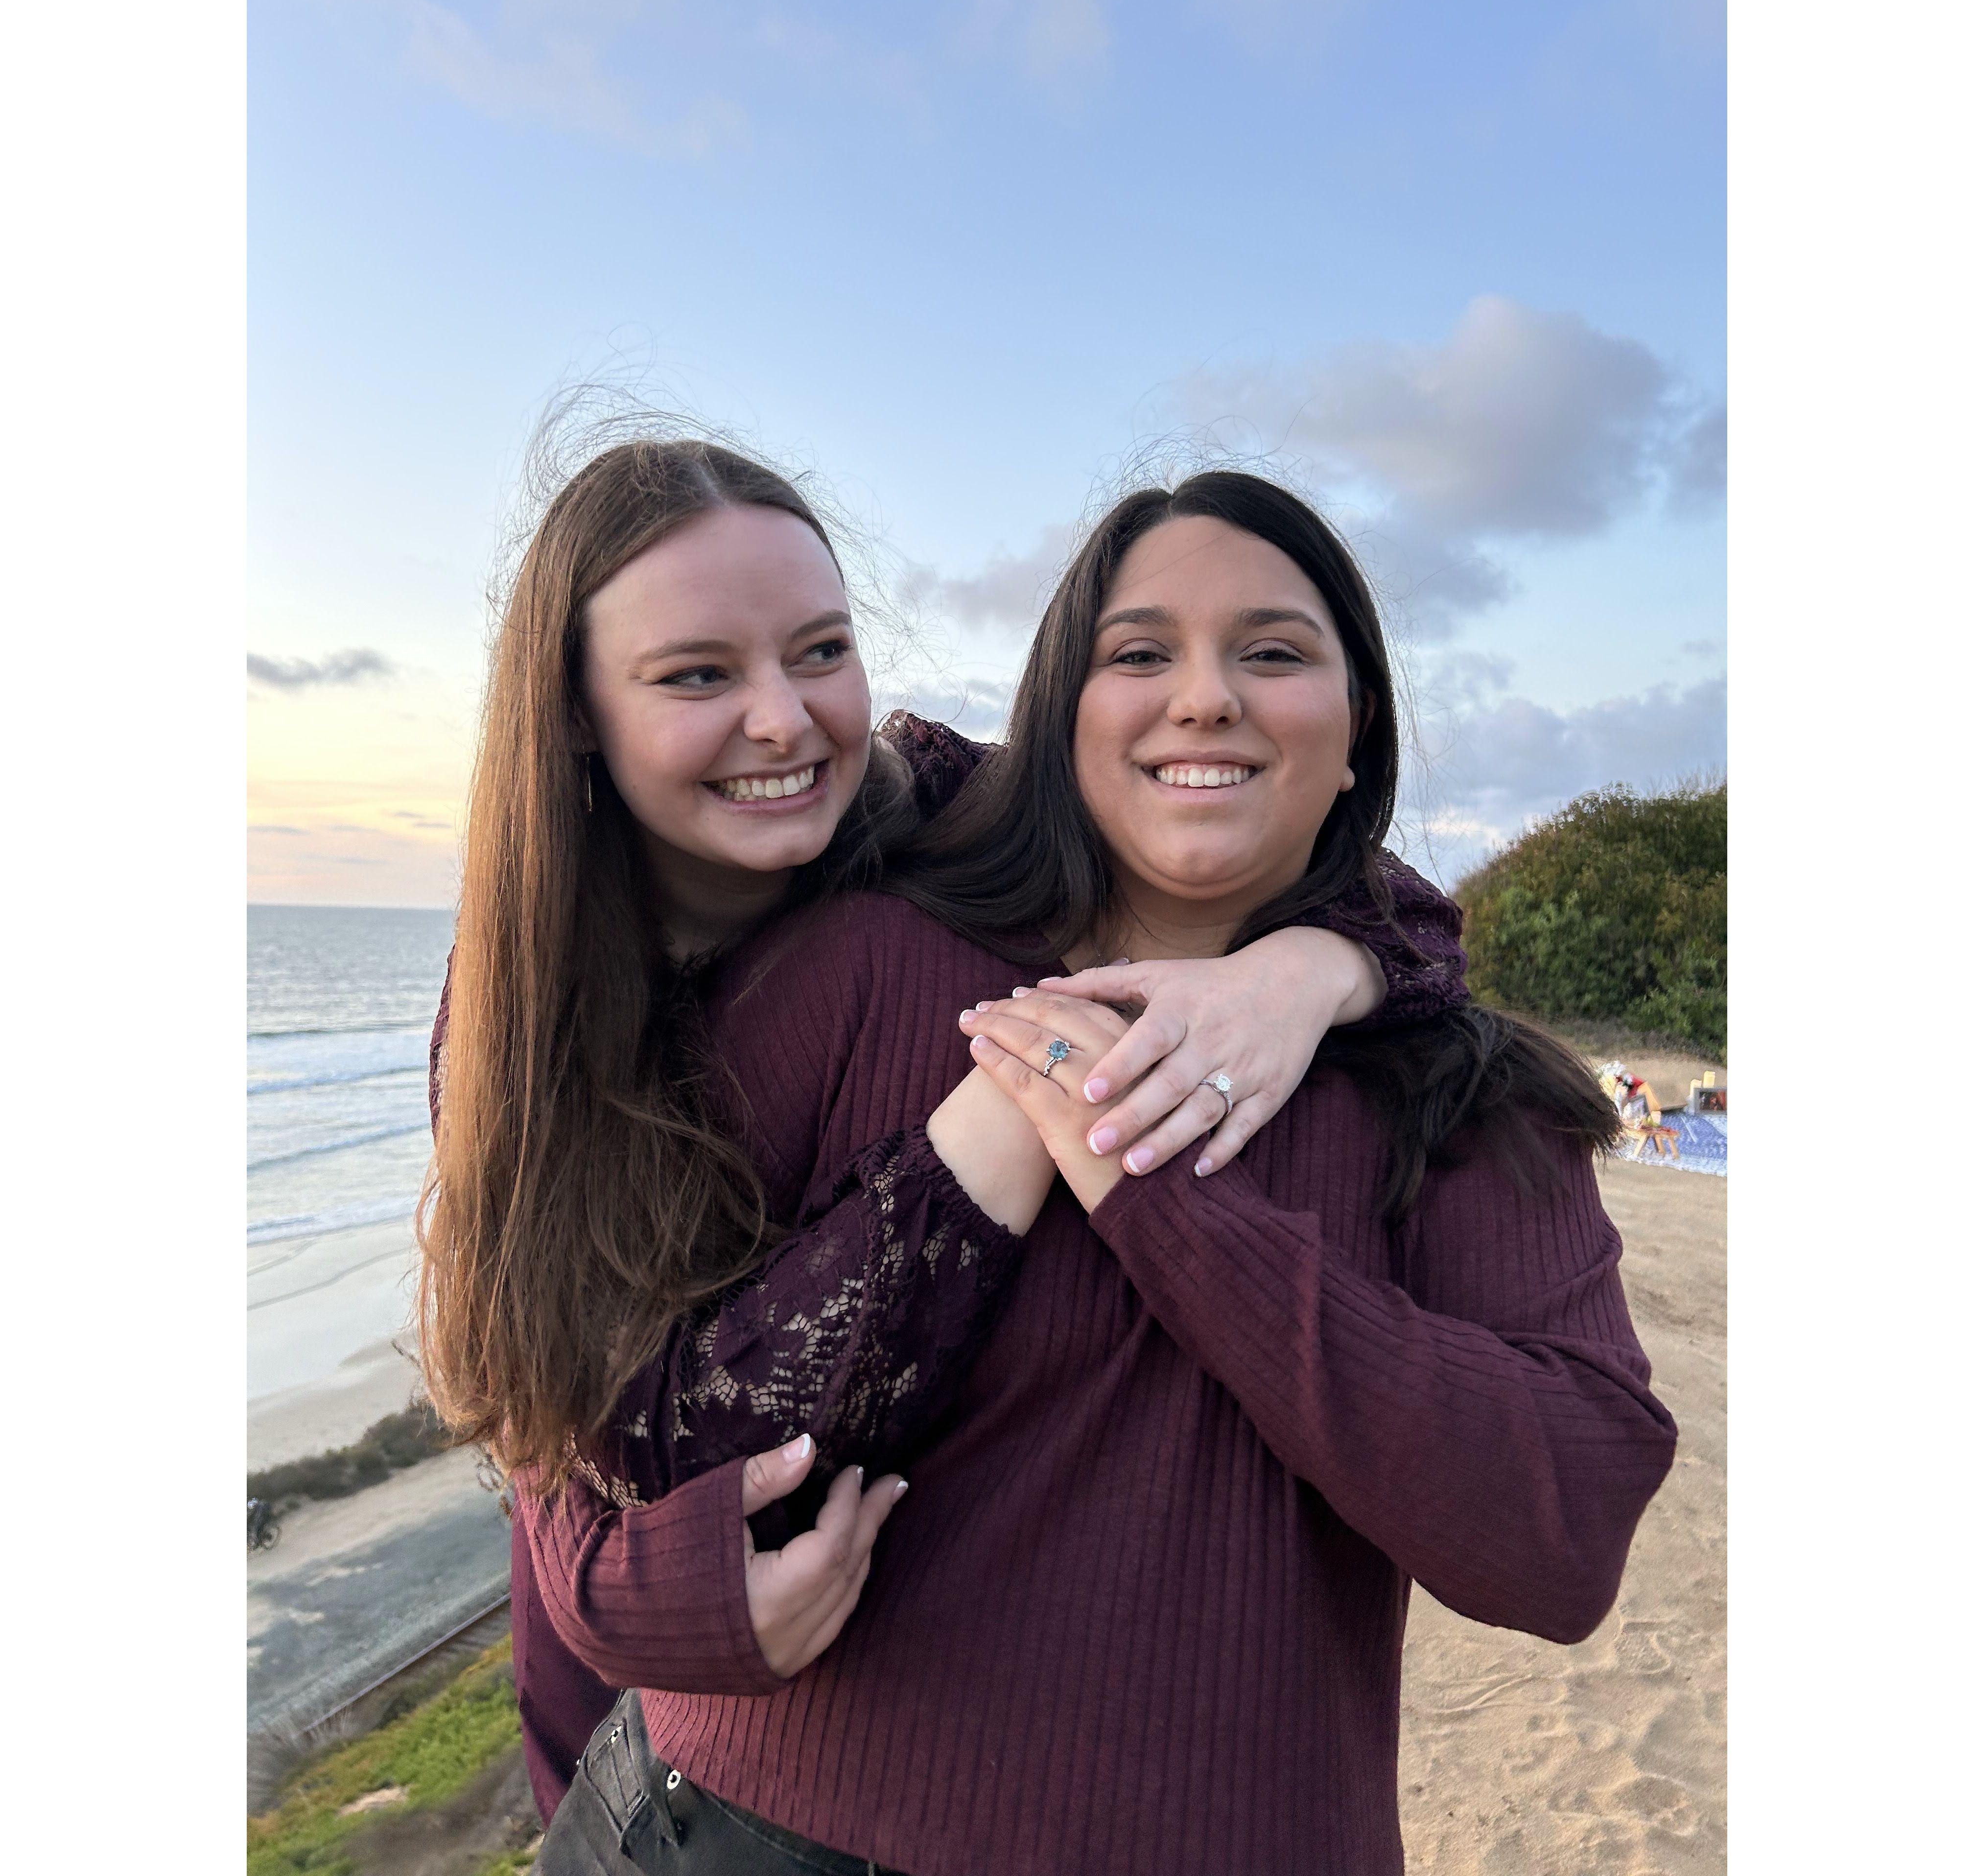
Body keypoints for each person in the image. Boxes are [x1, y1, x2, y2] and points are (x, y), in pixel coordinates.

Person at [525, 471, 1678, 1876]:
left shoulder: (1470, 1099)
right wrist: (644, 1594)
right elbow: (598, 1393)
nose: (1205, 699)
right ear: (1060, 715)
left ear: (1358, 723)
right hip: (726, 1836)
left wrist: (1150, 1177)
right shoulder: (860, 957)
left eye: (1273, 652)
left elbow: (1564, 1543)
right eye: (1139, 654)